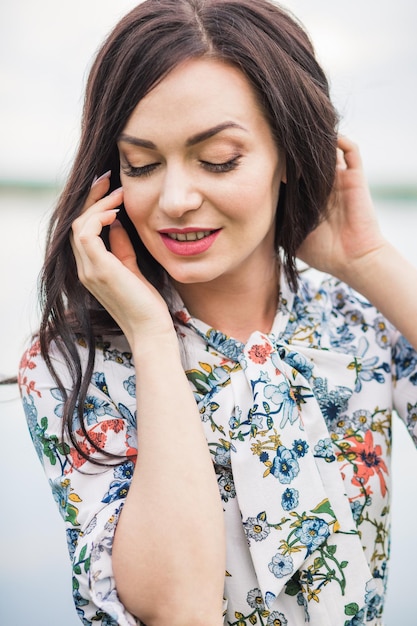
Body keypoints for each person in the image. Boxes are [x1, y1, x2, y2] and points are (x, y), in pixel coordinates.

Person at [17, 0, 417, 624]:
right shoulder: (71, 363)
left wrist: (369, 260)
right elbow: (179, 609)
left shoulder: (359, 320)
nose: (175, 199)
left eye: (219, 159)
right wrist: (150, 337)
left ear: (288, 154)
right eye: (142, 164)